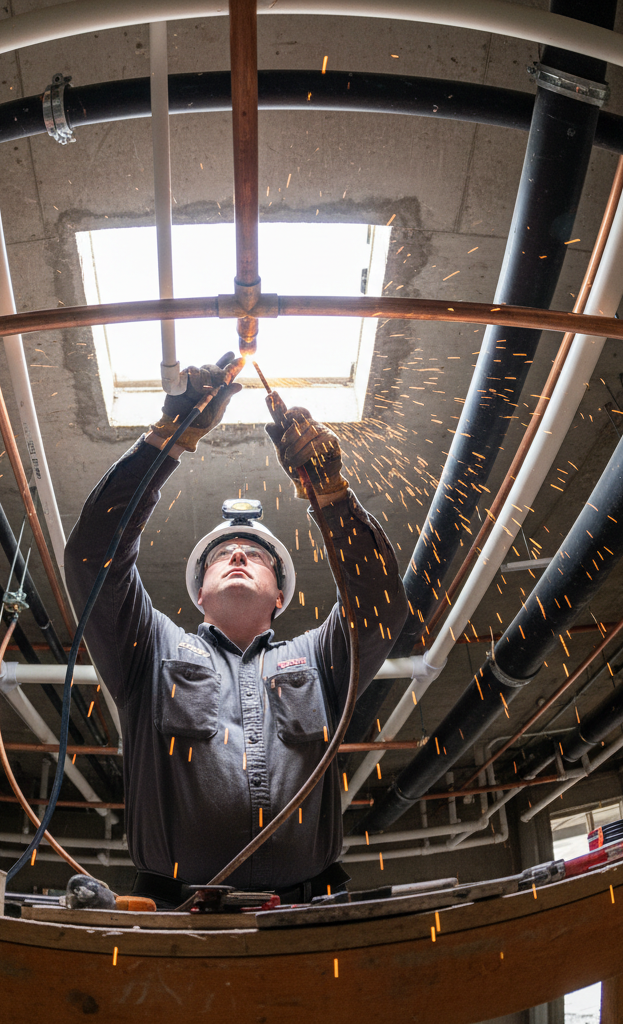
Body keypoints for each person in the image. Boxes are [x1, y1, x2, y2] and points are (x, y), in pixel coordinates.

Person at [64, 354, 407, 907]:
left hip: (306, 916)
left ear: (280, 596)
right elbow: (92, 556)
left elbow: (380, 607)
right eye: (222, 554)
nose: (240, 554)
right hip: (177, 914)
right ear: (199, 594)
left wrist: (331, 495)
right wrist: (167, 438)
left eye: (256, 555)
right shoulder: (151, 649)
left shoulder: (318, 659)